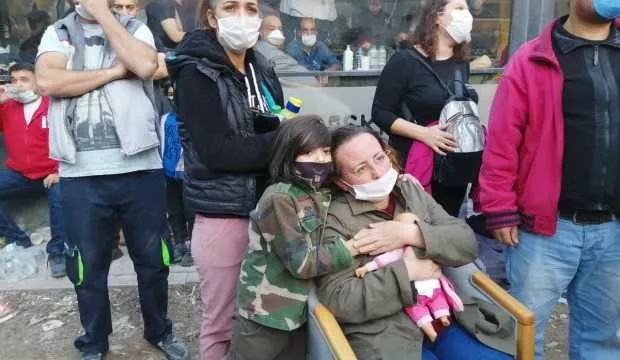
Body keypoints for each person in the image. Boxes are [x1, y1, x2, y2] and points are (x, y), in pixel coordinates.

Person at [35, 1, 188, 359]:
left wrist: (104, 16)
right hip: (81, 175)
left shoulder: (133, 28)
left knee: (153, 260)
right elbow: (47, 81)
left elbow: (146, 65)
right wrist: (114, 72)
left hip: (140, 170)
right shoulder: (57, 33)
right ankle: (94, 341)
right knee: (87, 267)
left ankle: (159, 330)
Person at [476, 1, 620, 359]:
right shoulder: (531, 60)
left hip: (613, 231)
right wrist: (499, 208)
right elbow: (502, 141)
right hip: (545, 231)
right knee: (523, 335)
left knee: (602, 339)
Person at [316, 125, 514, 360]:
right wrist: (407, 271)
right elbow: (340, 299)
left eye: (379, 158)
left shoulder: (409, 189)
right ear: (341, 182)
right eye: (361, 169)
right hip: (384, 335)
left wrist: (411, 234)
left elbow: (465, 242)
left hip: (445, 316)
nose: (378, 173)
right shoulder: (333, 219)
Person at [165, 0, 284, 358]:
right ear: (213, 18)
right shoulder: (197, 72)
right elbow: (218, 152)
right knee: (222, 325)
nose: (243, 17)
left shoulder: (259, 66)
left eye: (251, 8)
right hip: (224, 214)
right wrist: (286, 141)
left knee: (270, 315)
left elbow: (269, 119)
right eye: (231, 7)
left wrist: (279, 130)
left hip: (269, 209)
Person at [229, 116, 358, 359]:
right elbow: (301, 263)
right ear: (288, 156)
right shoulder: (280, 198)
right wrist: (350, 248)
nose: (320, 160)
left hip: (295, 313)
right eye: (308, 153)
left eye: (326, 151)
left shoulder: (318, 193)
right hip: (264, 314)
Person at [371, 0, 477, 217]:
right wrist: (425, 134)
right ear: (437, 17)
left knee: (447, 230)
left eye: (466, 9)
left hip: (453, 168)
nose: (467, 15)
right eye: (458, 8)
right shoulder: (405, 61)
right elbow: (380, 113)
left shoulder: (461, 63)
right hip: (414, 166)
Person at [0, 62, 67, 278]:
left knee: (60, 200)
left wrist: (59, 170)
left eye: (24, 79)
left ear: (37, 81)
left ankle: (58, 252)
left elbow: (70, 140)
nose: (18, 85)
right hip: (20, 174)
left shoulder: (54, 104)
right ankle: (18, 240)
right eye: (13, 80)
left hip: (53, 172)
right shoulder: (8, 107)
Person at [255, 13, 319, 86]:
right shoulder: (263, 50)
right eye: (271, 29)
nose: (277, 32)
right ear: (260, 31)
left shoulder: (276, 51)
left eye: (279, 29)